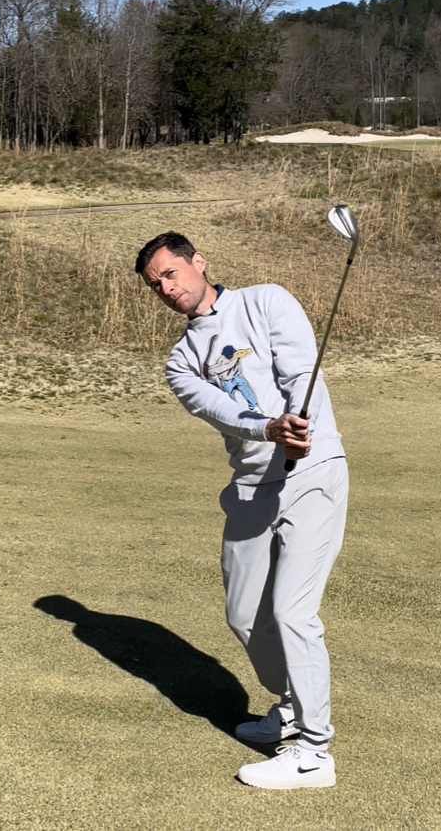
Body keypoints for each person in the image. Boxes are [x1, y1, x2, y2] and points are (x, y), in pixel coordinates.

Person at [135, 231, 349, 790]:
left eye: (170, 273)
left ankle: (313, 753)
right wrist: (269, 428)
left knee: (292, 612)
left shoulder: (266, 300)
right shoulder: (181, 361)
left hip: (312, 470)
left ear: (198, 262)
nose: (166, 288)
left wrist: (300, 427)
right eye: (155, 284)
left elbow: (300, 373)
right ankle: (290, 707)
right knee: (244, 616)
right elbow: (219, 408)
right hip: (252, 483)